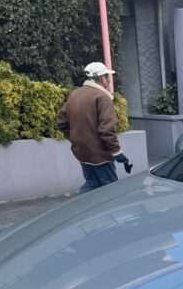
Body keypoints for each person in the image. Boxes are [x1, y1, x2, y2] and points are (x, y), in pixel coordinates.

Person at [56, 62, 132, 193]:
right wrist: (118, 153)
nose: (109, 80)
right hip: (100, 155)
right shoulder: (102, 97)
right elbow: (107, 130)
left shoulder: (74, 94)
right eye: (107, 76)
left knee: (92, 186)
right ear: (102, 78)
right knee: (111, 192)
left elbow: (61, 123)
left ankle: (80, 211)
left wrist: (76, 138)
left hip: (82, 152)